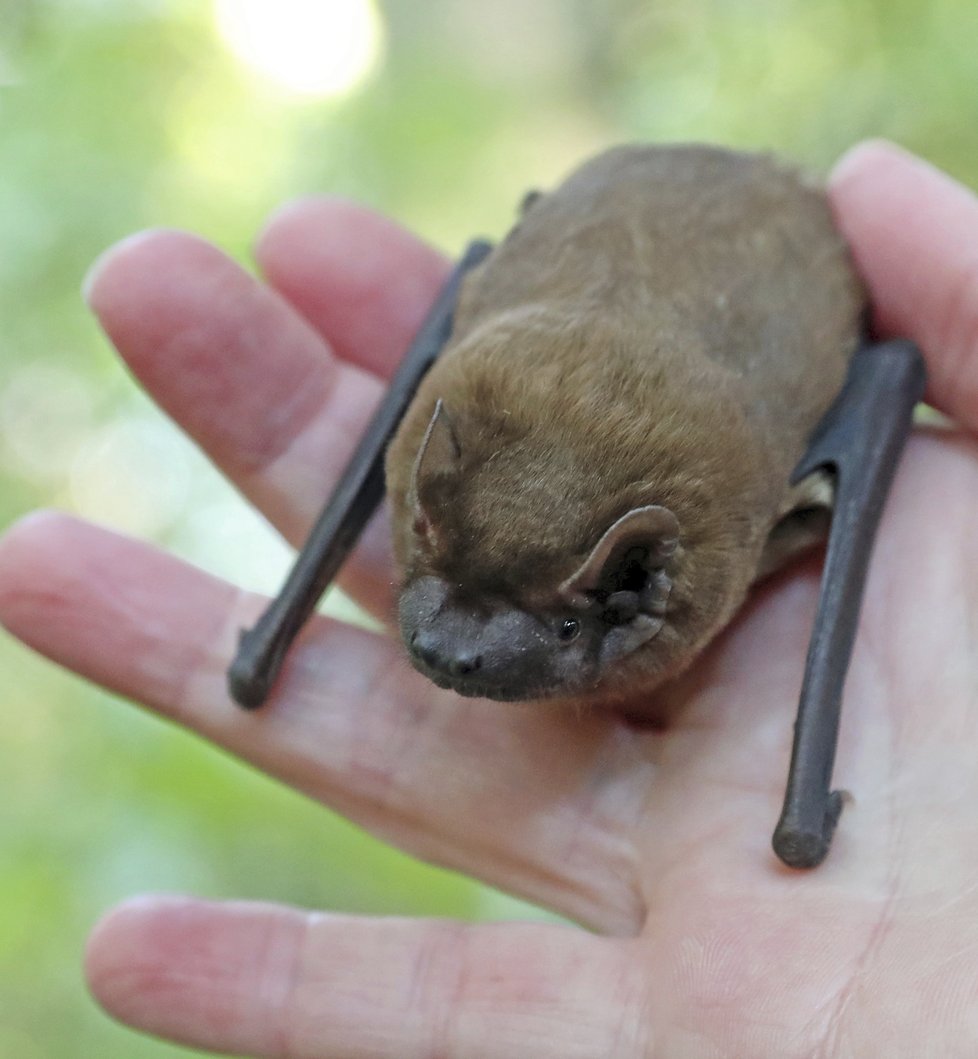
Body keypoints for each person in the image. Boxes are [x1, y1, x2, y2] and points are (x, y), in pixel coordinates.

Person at [1, 141, 977, 1057]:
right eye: (444, 574)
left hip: (727, 316)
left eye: (553, 624)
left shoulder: (718, 503)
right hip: (592, 279)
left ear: (639, 584)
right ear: (425, 499)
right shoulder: (456, 415)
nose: (461, 656)